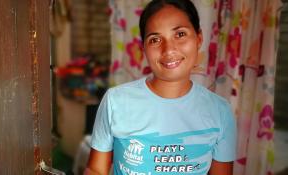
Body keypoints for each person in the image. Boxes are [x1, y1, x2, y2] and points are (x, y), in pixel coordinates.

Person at [86, 0, 237, 174]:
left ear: (199, 38)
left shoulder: (220, 111)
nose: (168, 49)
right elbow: (95, 169)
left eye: (180, 34)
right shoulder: (116, 101)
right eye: (155, 39)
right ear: (144, 48)